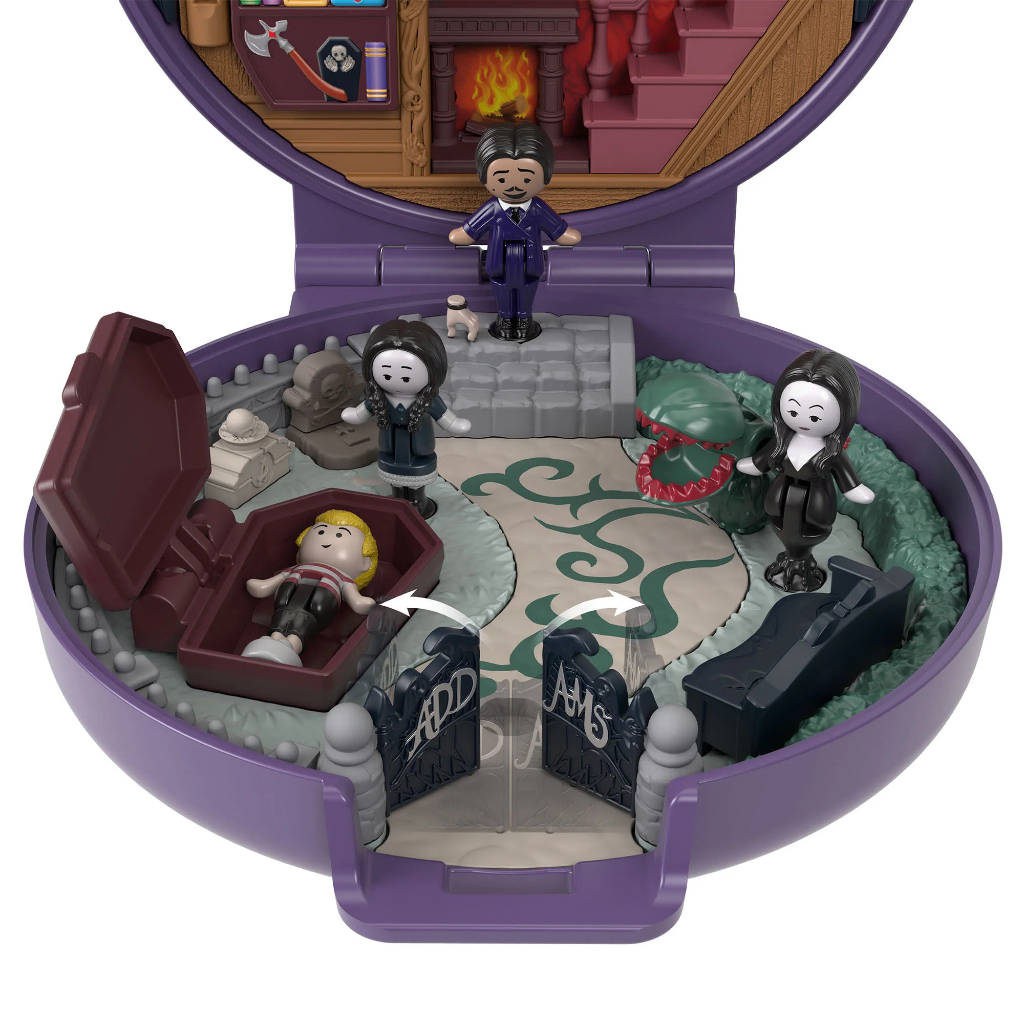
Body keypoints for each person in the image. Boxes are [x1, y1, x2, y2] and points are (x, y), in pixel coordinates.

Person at [736, 349, 874, 592]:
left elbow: (848, 481)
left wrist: (855, 489)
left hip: (816, 507)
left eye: (815, 417)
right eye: (793, 411)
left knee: (812, 528)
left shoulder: (831, 452)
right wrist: (754, 465)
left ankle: (801, 563)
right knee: (778, 521)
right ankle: (790, 559)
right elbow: (762, 460)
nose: (803, 420)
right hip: (780, 500)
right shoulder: (783, 442)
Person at [448, 123, 581, 342]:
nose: (514, 186)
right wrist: (465, 234)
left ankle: (524, 318)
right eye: (501, 179)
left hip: (531, 262)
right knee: (501, 289)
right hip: (498, 262)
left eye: (527, 179)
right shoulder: (492, 208)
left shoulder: (537, 208)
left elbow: (557, 228)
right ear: (484, 177)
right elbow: (471, 229)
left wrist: (563, 234)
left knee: (528, 290)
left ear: (545, 176)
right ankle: (505, 318)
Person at [342, 319, 471, 517]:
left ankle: (418, 501)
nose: (397, 382)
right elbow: (362, 412)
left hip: (419, 447)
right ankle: (398, 499)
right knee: (395, 477)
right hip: (390, 446)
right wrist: (354, 415)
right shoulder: (380, 398)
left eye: (406, 377)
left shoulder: (427, 400)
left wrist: (455, 424)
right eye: (386, 375)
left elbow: (445, 417)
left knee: (416, 479)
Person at [241, 509, 378, 667]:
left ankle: (291, 648)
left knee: (301, 629)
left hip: (316, 610)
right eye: (321, 532)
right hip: (285, 604)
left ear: (365, 562)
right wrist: (262, 586)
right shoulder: (296, 569)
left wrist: (361, 603)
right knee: (279, 623)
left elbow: (355, 599)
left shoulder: (342, 579)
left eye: (339, 535)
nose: (326, 540)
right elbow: (272, 582)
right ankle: (272, 640)